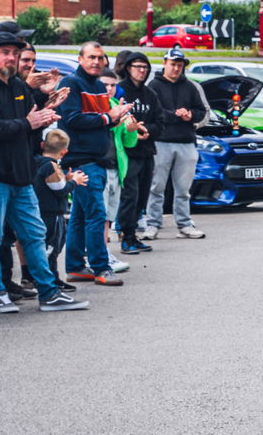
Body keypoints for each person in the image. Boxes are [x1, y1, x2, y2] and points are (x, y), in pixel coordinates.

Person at [0, 28, 85, 313]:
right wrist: (29, 123)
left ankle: (49, 292)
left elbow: (28, 124)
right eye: (5, 53)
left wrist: (44, 108)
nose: (12, 58)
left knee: (34, 234)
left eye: (15, 54)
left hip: (22, 176)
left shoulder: (18, 87)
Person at [55, 41, 131, 287]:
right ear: (80, 59)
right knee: (97, 214)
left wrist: (114, 118)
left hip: (96, 158)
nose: (97, 62)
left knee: (79, 215)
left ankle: (76, 267)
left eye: (100, 58)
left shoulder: (99, 86)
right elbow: (72, 118)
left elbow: (100, 121)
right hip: (80, 159)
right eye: (91, 57)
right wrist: (108, 116)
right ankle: (101, 267)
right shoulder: (70, 83)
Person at [142, 49, 209, 241]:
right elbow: (153, 112)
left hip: (186, 142)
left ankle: (184, 224)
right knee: (156, 186)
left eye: (180, 65)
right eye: (173, 64)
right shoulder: (153, 85)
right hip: (161, 141)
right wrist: (176, 115)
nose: (176, 68)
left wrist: (190, 115)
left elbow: (201, 111)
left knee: (183, 189)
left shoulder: (190, 87)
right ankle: (152, 224)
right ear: (165, 63)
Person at [112, 52, 160, 254]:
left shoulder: (150, 94)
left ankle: (134, 234)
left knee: (141, 196)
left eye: (145, 67)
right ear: (128, 68)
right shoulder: (120, 90)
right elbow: (113, 115)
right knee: (129, 196)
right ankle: (125, 235)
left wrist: (147, 129)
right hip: (127, 152)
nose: (142, 70)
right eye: (137, 66)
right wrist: (130, 130)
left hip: (146, 151)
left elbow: (160, 121)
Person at [34, 128, 83, 285]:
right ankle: (50, 279)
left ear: (43, 145)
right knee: (52, 248)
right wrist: (75, 181)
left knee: (51, 247)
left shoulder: (37, 162)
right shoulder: (50, 166)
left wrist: (66, 178)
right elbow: (60, 190)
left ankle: (52, 277)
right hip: (51, 213)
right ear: (64, 152)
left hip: (42, 211)